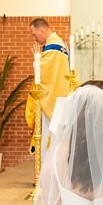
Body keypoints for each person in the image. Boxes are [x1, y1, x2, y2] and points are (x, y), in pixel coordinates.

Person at [25, 18, 70, 150]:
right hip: (60, 97)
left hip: (51, 101)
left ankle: (48, 169)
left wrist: (37, 59)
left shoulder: (52, 48)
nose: (34, 38)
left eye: (34, 34)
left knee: (48, 143)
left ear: (42, 30)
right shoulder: (60, 44)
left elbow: (43, 74)